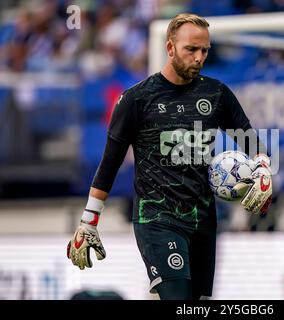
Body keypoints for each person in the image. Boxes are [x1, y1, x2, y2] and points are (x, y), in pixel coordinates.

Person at [66, 13, 273, 300]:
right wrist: (89, 220)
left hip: (202, 218)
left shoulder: (217, 94)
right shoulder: (136, 99)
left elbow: (251, 140)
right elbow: (110, 163)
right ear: (170, 48)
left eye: (204, 51)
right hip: (156, 219)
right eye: (191, 49)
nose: (199, 57)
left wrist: (262, 167)